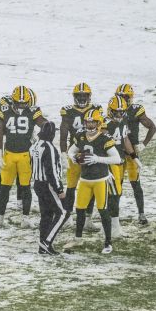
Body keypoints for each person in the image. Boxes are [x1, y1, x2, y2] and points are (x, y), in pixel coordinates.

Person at [68, 108, 122, 254]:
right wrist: (73, 157)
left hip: (100, 180)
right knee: (79, 209)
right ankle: (78, 238)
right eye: (88, 122)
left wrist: (98, 159)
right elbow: (71, 150)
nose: (90, 125)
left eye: (93, 123)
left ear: (99, 123)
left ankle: (108, 242)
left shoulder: (105, 139)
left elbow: (117, 159)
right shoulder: (81, 136)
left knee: (103, 210)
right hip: (85, 179)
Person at [0, 85, 47, 227]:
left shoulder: (33, 111)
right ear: (13, 101)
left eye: (25, 103)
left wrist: (46, 127)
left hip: (25, 155)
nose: (22, 105)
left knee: (25, 187)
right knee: (5, 187)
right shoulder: (5, 110)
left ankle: (25, 219)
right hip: (9, 154)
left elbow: (43, 123)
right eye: (19, 102)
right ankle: (0, 218)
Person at [114, 83, 156, 225]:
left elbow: (152, 127)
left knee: (135, 184)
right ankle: (114, 215)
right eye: (121, 96)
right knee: (116, 185)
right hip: (117, 153)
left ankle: (141, 214)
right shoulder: (112, 110)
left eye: (126, 97)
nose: (123, 99)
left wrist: (143, 144)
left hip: (132, 151)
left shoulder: (136, 110)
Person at [58, 83, 101, 224]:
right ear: (75, 96)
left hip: (91, 154)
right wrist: (64, 153)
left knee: (92, 185)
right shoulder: (68, 111)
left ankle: (88, 217)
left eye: (84, 95)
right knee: (71, 186)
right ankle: (68, 215)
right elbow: (63, 134)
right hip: (75, 153)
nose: (82, 98)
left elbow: (102, 131)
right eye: (79, 95)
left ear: (89, 96)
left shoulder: (96, 109)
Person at [102, 96, 136, 238]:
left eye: (121, 112)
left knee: (116, 194)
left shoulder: (123, 121)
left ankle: (109, 225)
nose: (119, 115)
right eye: (116, 112)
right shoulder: (104, 123)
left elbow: (125, 139)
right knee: (113, 195)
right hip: (109, 164)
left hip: (120, 163)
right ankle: (112, 228)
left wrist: (133, 156)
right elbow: (100, 143)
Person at [30, 121, 66, 255]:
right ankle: (46, 242)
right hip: (48, 185)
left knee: (46, 215)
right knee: (62, 213)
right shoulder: (49, 147)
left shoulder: (34, 146)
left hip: (38, 183)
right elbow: (50, 171)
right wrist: (59, 190)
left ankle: (42, 245)